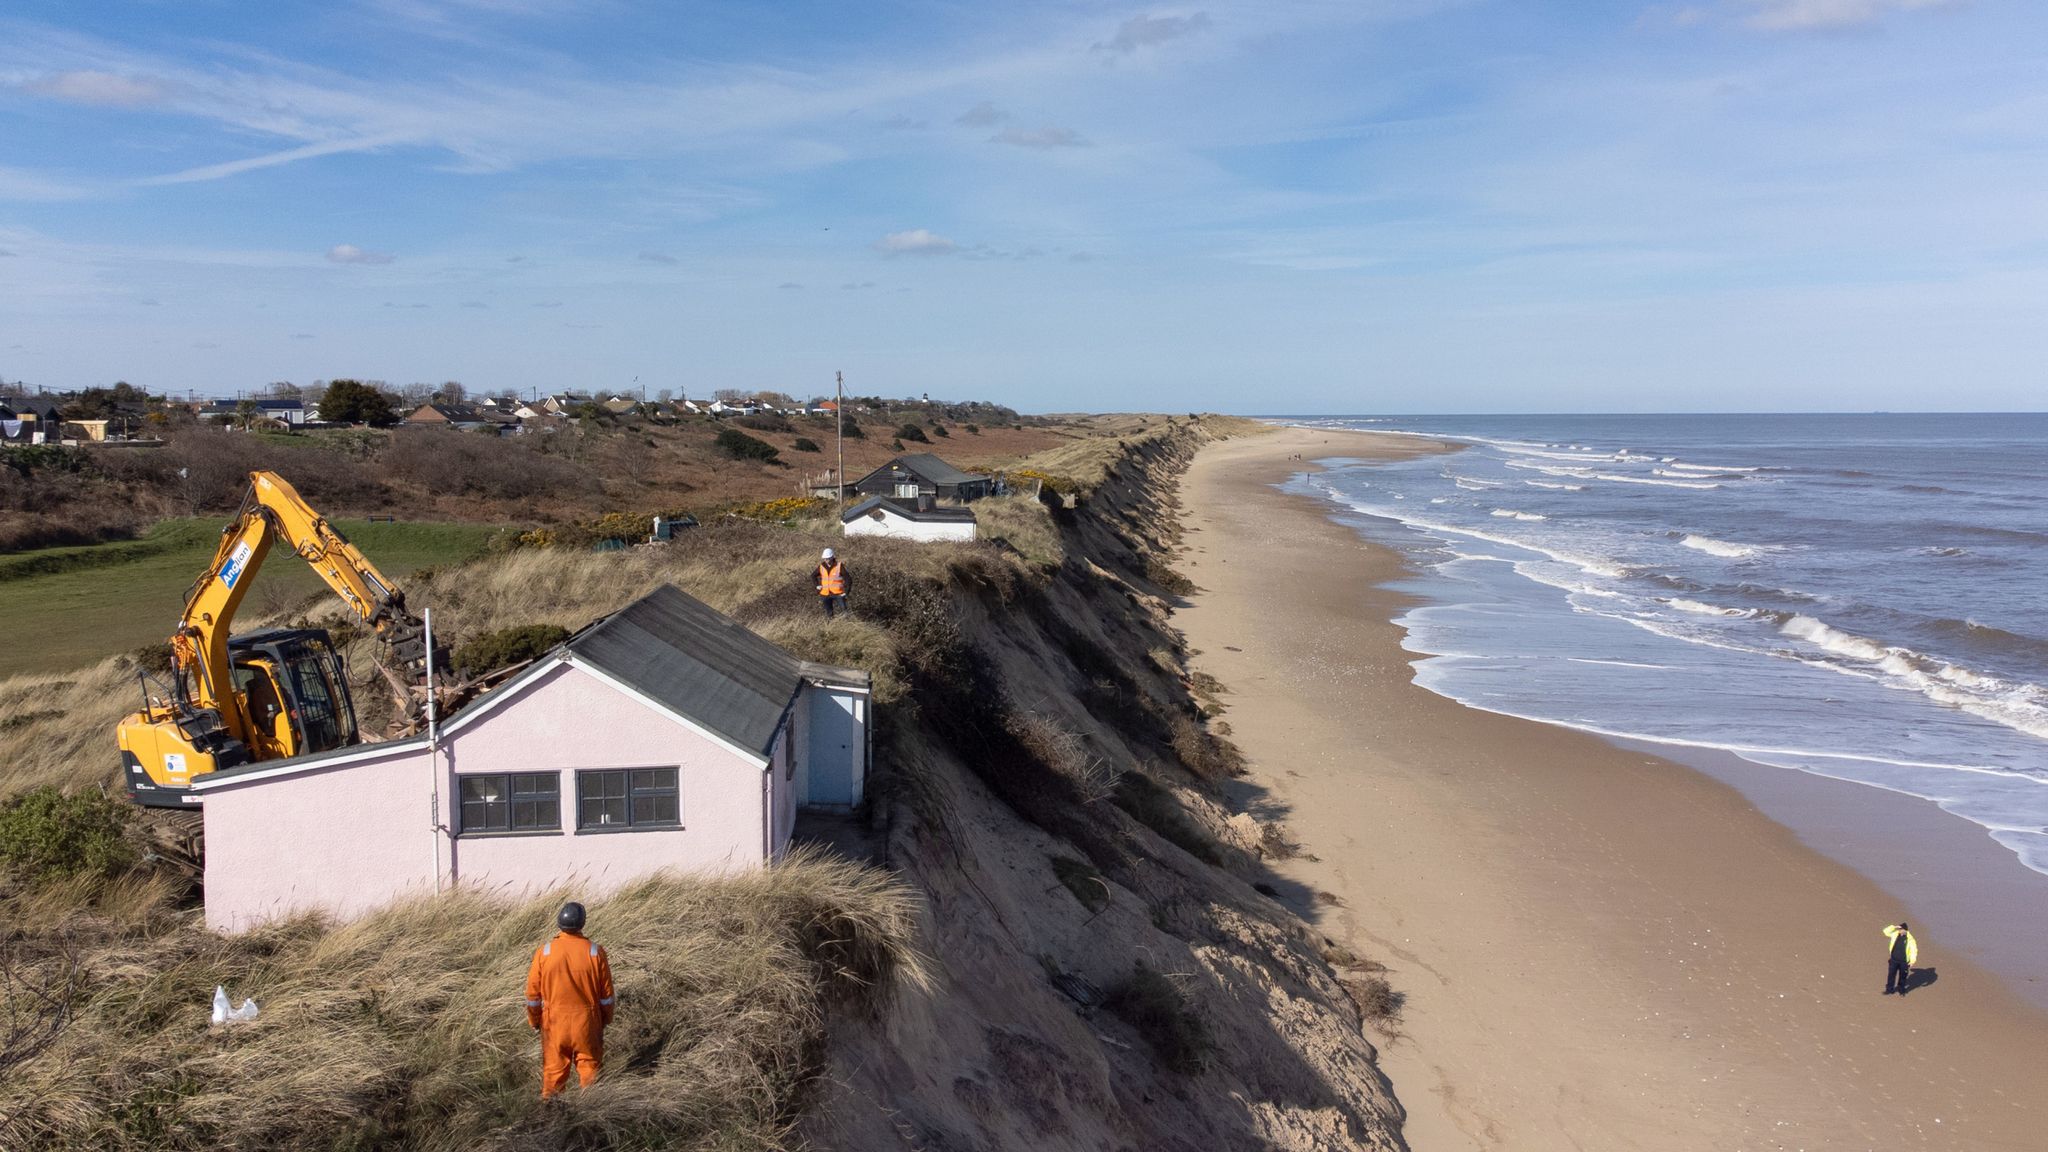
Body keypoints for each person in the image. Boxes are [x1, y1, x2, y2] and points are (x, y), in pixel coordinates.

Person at [525, 901, 616, 1097]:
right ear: (582, 923)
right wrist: (605, 1020)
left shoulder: (545, 952)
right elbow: (607, 997)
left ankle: (552, 1119)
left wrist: (535, 1021)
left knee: (553, 1077)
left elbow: (532, 996)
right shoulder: (595, 952)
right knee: (590, 1075)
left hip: (554, 1024)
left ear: (559, 923)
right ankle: (591, 1117)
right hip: (587, 1024)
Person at [1882, 921, 1918, 996]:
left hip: (1904, 962)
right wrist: (1894, 927)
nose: (1899, 931)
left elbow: (1914, 950)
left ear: (1905, 930)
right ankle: (1889, 989)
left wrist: (1912, 961)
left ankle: (1901, 990)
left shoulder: (1910, 939)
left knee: (1903, 977)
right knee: (1891, 975)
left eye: (1901, 929)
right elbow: (1885, 931)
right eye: (1899, 929)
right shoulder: (1895, 934)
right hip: (1893, 960)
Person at [815, 547, 849, 619]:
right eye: (825, 558)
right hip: (825, 594)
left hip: (838, 593)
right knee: (829, 614)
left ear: (832, 557)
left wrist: (846, 592)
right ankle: (831, 627)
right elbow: (812, 576)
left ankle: (847, 626)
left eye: (827, 558)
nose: (826, 560)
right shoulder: (821, 566)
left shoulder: (839, 566)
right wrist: (817, 585)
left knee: (845, 613)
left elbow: (849, 579)